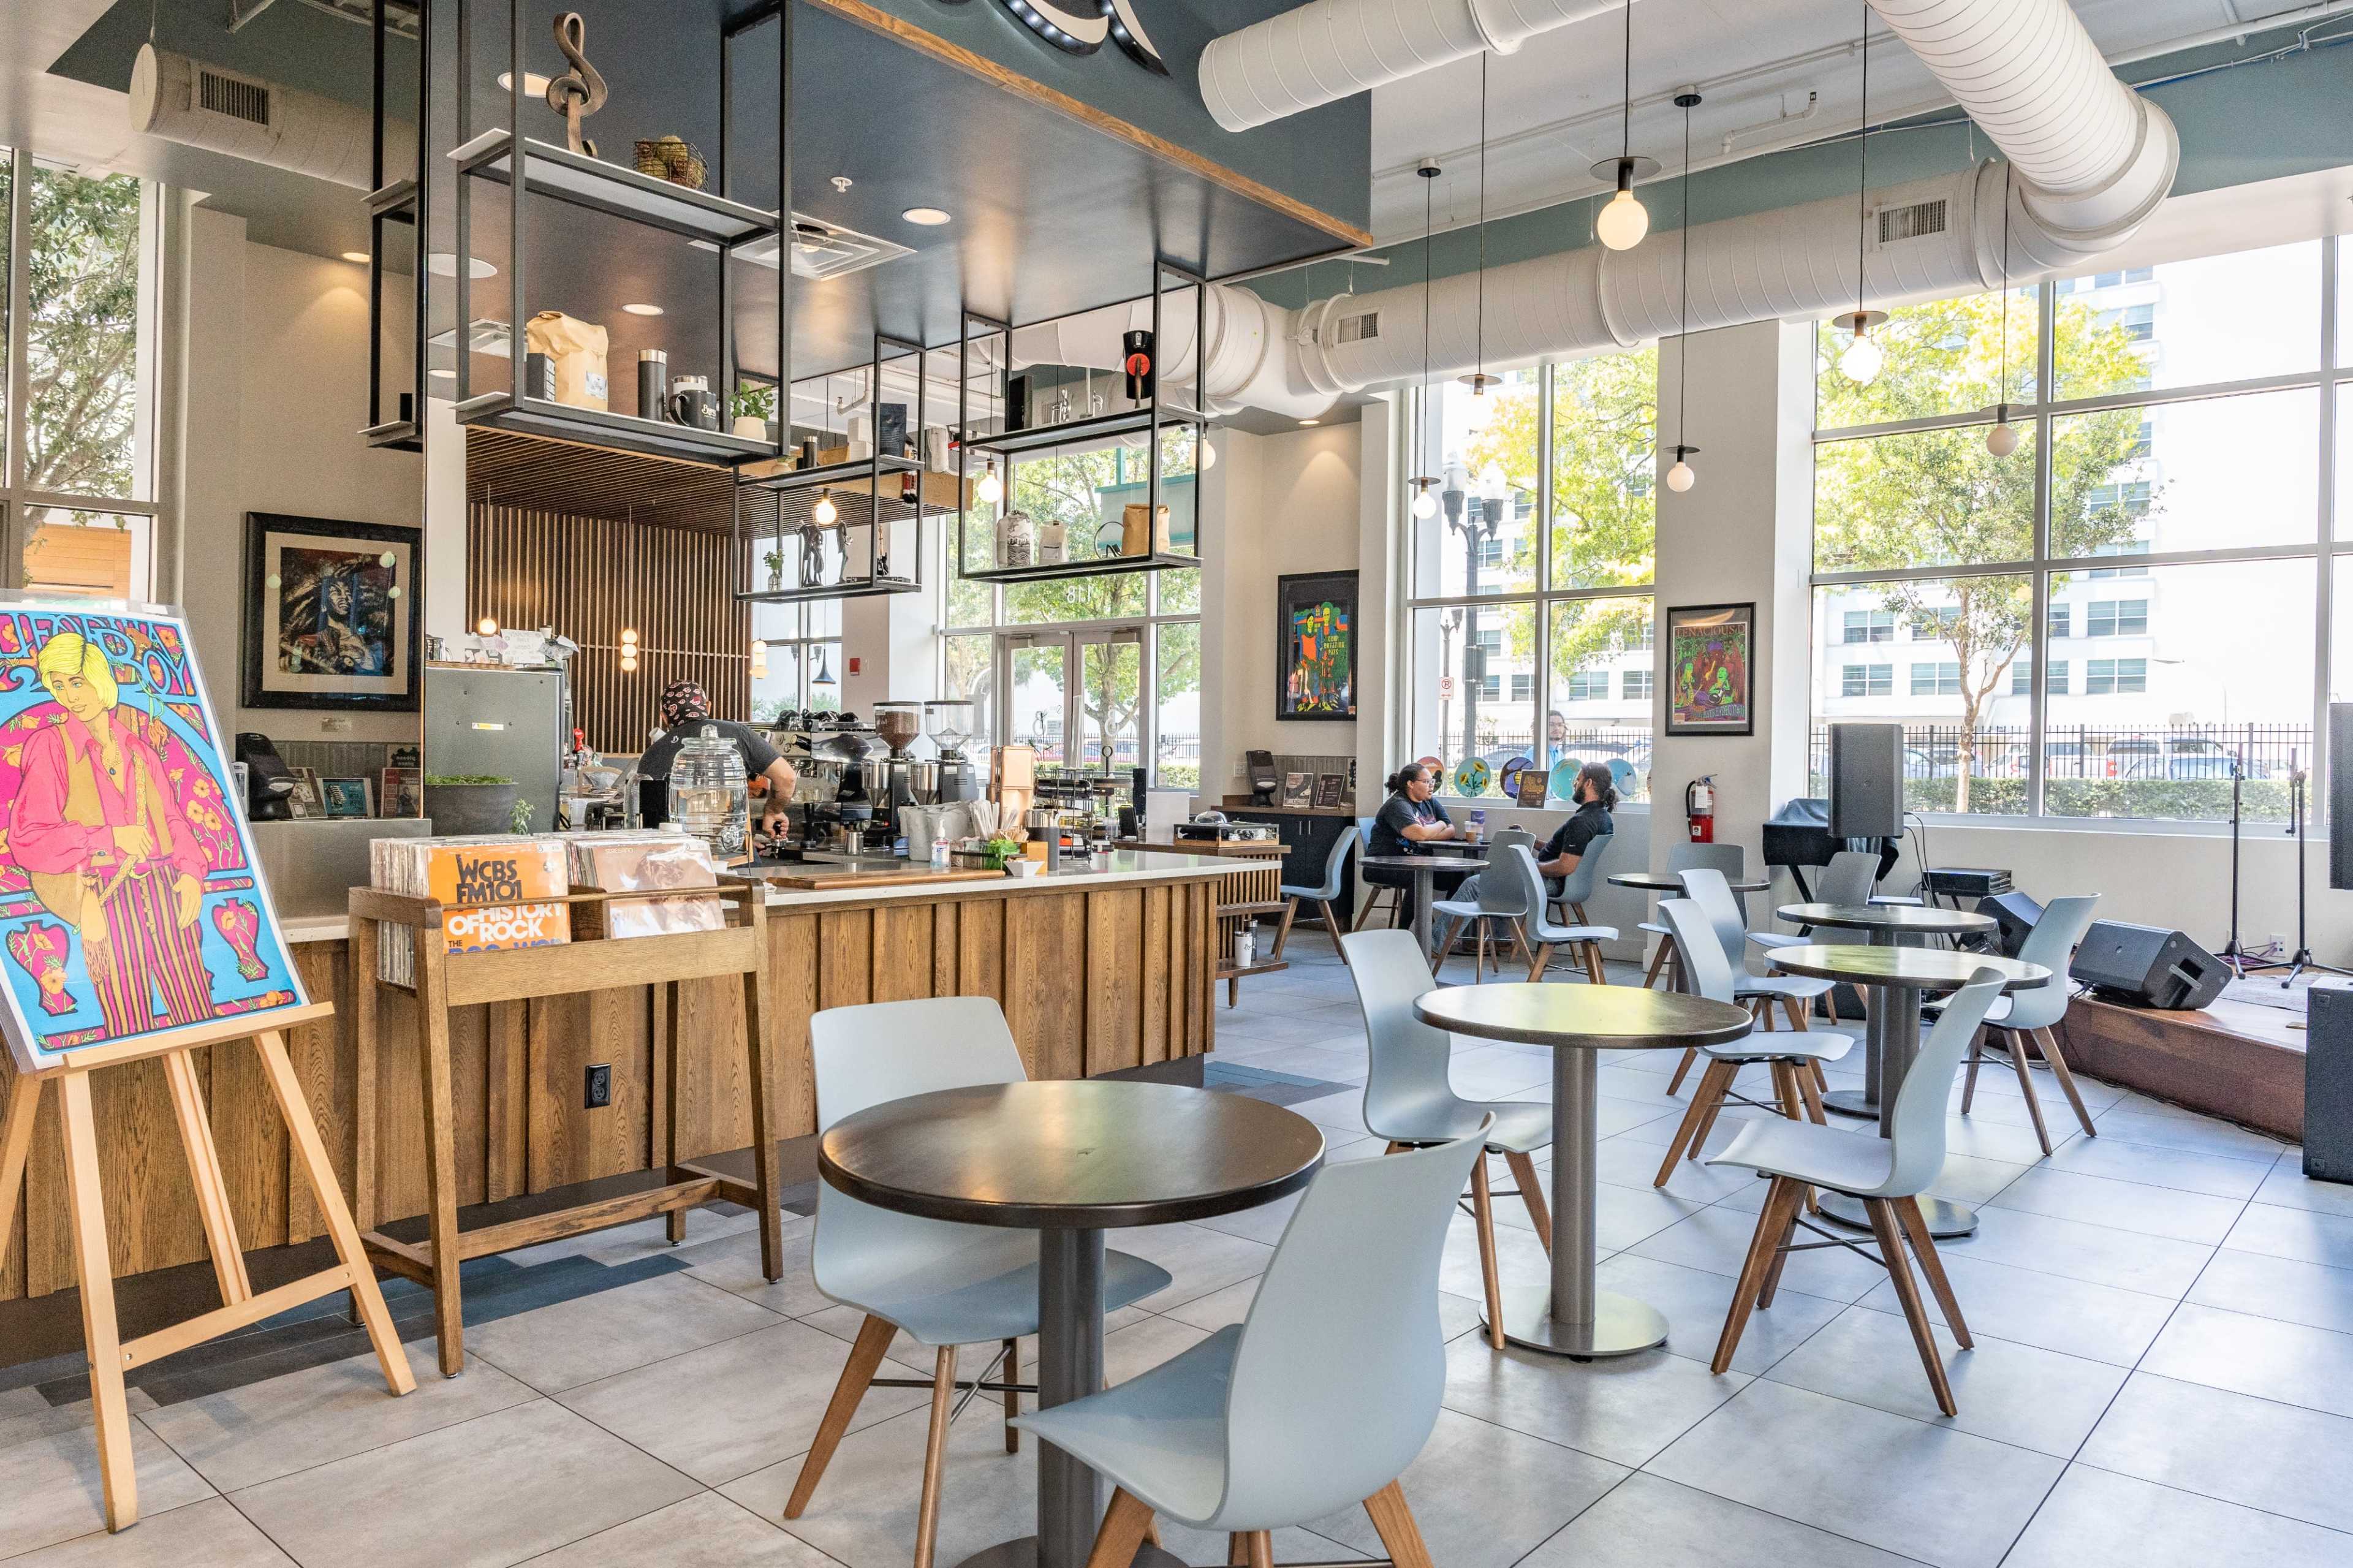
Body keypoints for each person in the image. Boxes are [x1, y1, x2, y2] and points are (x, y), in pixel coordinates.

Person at [12, 631, 218, 1040]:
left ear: (99, 676)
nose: (71, 695)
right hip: (105, 899)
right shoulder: (50, 746)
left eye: (77, 680)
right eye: (59, 685)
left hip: (167, 891)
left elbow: (176, 822)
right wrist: (108, 837)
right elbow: (28, 839)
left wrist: (193, 873)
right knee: (126, 1029)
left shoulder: (138, 749)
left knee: (198, 1014)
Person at [635, 681, 800, 836]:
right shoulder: (738, 733)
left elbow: (650, 821)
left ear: (664, 717)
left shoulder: (650, 755)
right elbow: (787, 777)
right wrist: (773, 812)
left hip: (677, 854)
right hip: (732, 849)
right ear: (708, 707)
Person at [1453, 761, 1616, 907]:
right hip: (1564, 882)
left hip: (1552, 883)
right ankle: (1501, 940)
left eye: (1578, 780)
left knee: (1473, 884)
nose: (1575, 784)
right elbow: (1568, 853)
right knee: (1497, 869)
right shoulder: (1602, 817)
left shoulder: (1582, 822)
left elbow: (1565, 866)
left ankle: (1435, 941)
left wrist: (1531, 867)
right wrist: (1532, 839)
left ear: (1588, 783)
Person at [1363, 762, 1474, 929]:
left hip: (1419, 863)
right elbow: (1418, 835)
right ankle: (1403, 933)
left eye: (1433, 782)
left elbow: (1451, 830)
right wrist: (1439, 825)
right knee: (1420, 877)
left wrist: (1432, 830)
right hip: (1385, 864)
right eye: (1427, 781)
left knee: (1459, 875)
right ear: (1411, 784)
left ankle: (1443, 932)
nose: (1432, 786)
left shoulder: (1430, 802)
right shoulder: (1398, 805)